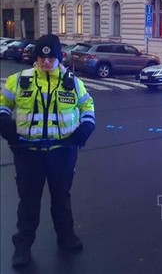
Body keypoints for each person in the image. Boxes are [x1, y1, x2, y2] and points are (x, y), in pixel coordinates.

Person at [0, 34, 95, 267]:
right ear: (36, 58)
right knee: (28, 201)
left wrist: (85, 129)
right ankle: (22, 245)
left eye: (51, 57)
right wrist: (5, 124)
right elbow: (3, 105)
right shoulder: (19, 80)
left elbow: (87, 107)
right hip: (27, 151)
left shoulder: (72, 82)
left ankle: (66, 236)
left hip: (62, 151)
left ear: (58, 57)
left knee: (61, 197)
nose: (46, 62)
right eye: (42, 58)